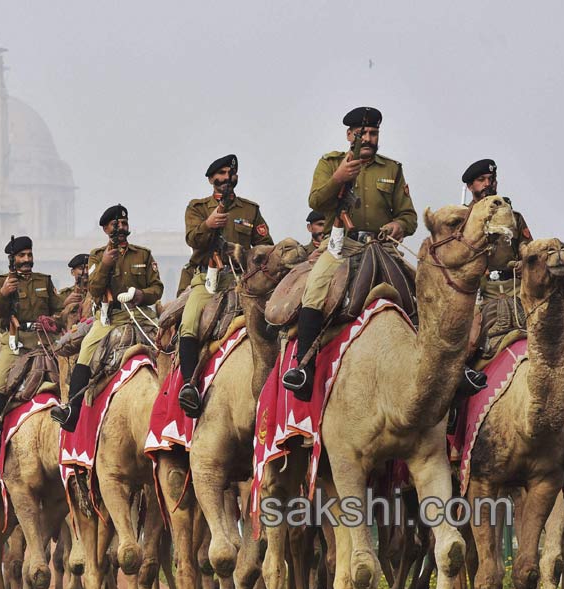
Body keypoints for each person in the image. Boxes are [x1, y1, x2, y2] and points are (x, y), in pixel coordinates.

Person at [282, 106, 417, 400]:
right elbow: (316, 200)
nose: (368, 138)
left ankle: (434, 370)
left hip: (381, 248)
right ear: (349, 135)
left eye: (373, 133)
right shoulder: (330, 163)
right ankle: (304, 366)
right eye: (363, 133)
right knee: (316, 287)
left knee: (422, 289)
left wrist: (398, 224)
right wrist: (339, 178)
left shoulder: (392, 169)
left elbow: (410, 216)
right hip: (341, 245)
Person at [176, 154, 273, 417]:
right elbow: (192, 240)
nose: (225, 180)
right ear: (211, 180)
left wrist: (242, 251)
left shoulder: (249, 210)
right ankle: (189, 385)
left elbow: (266, 247)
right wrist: (208, 225)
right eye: (219, 175)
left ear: (236, 178)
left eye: (230, 175)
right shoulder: (197, 208)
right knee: (189, 321)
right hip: (207, 280)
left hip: (242, 280)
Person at [51, 205, 163, 430]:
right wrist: (105, 265)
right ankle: (72, 408)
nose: (121, 228)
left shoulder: (143, 254)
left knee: (170, 343)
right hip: (110, 318)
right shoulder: (97, 256)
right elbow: (94, 288)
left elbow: (157, 288)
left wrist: (141, 295)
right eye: (116, 225)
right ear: (105, 229)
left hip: (141, 316)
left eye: (124, 223)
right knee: (86, 352)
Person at [0, 236, 63, 456]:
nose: (27, 259)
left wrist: (56, 319)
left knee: (66, 370)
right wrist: (5, 293)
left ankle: (71, 413)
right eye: (22, 256)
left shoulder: (44, 281)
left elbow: (60, 310)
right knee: (1, 378)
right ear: (12, 259)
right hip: (16, 341)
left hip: (44, 340)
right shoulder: (0, 282)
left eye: (29, 255)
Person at [462, 159, 533, 297]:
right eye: (481, 180)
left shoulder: (514, 217)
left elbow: (529, 249)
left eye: (490, 179)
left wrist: (524, 263)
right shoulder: (463, 218)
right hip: (477, 291)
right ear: (470, 186)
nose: (487, 184)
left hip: (514, 288)